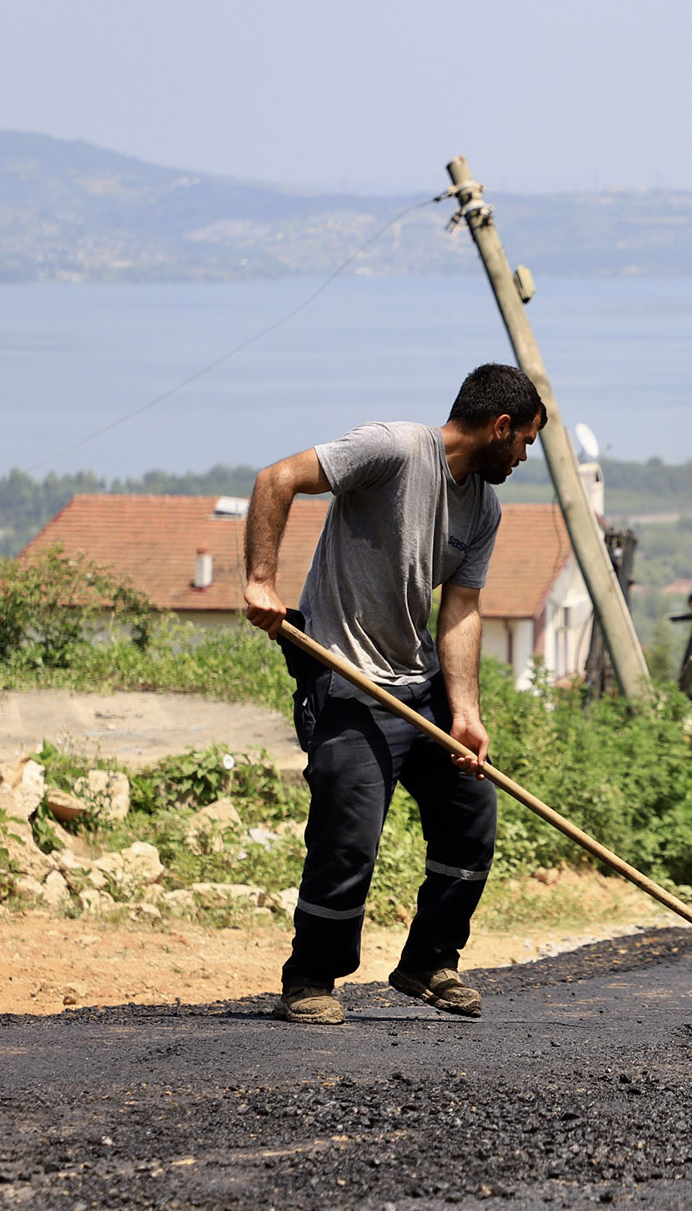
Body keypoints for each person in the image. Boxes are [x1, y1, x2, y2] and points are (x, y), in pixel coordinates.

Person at [242, 363, 544, 1025]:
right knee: (349, 826)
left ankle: (428, 961)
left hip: (417, 685)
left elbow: (461, 611)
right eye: (524, 440)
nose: (524, 455)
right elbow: (278, 479)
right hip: (343, 676)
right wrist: (262, 579)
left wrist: (465, 713)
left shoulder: (482, 509)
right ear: (500, 426)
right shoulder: (395, 448)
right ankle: (310, 978)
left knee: (472, 812)